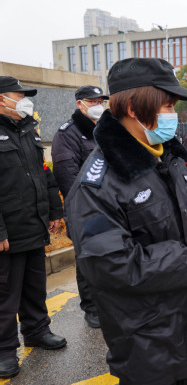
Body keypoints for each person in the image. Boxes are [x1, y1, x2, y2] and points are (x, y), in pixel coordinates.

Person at [65, 58, 187, 385]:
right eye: (167, 106)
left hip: (186, 323)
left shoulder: (165, 154)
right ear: (133, 108)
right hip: (144, 336)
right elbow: (110, 264)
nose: (173, 115)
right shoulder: (97, 184)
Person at [0, 76, 66, 379]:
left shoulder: (28, 130)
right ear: (2, 99)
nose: (25, 101)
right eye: (20, 96)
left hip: (33, 226)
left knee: (34, 287)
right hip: (8, 234)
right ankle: (4, 350)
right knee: (5, 295)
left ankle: (37, 331)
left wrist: (54, 210)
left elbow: (43, 173)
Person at [51, 85, 109, 329]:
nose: (98, 105)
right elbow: (68, 178)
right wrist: (91, 206)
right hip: (84, 209)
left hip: (110, 206)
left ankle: (108, 302)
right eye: (92, 101)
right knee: (88, 258)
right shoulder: (67, 134)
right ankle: (92, 307)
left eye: (100, 101)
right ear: (80, 104)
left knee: (110, 256)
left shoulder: (105, 128)